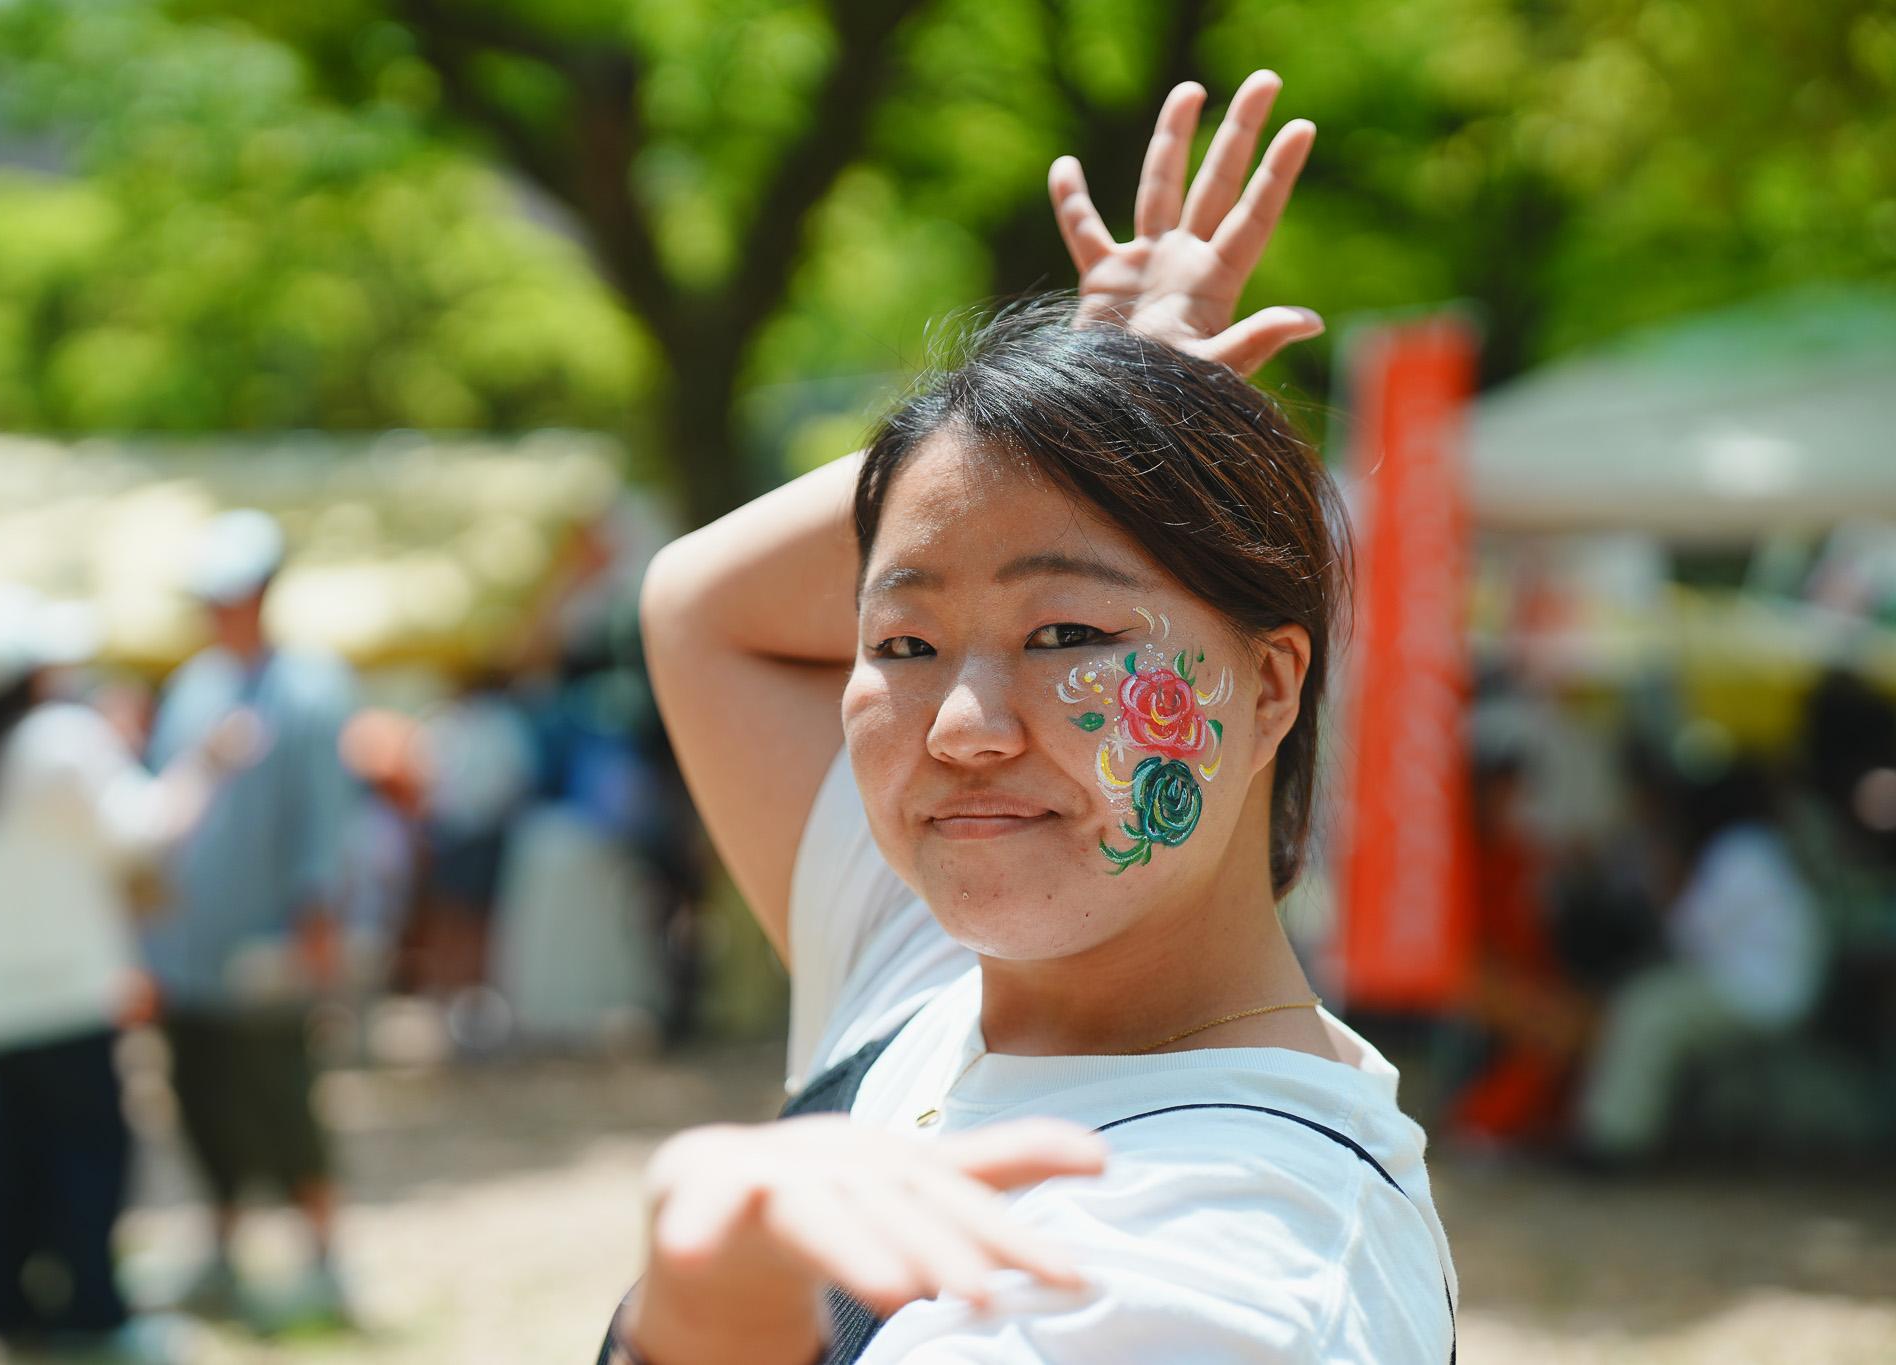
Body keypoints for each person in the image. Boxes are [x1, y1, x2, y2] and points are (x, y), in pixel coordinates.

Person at [601, 72, 1457, 1364]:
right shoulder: (932, 973)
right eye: (903, 643)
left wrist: (705, 1331)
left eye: (1066, 636)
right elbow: (699, 603)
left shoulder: (1233, 1262)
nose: (963, 728)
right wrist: (1091, 389)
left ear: (1272, 683)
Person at [0, 587, 249, 1360]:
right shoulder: (60, 736)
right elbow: (145, 827)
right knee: (91, 1150)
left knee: (13, 1155)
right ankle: (91, 1312)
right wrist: (206, 762)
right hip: (62, 989)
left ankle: (5, 1308)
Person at [142, 509, 358, 1327]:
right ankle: (222, 1250)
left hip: (268, 940)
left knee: (282, 1092)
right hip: (185, 943)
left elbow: (324, 819)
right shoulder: (191, 687)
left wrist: (317, 925)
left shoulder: (310, 686)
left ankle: (325, 1257)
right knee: (201, 1095)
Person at [1574, 762, 1826, 1163]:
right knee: (1656, 1000)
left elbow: (1689, 937)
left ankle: (1612, 1142)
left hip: (1756, 995)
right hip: (1770, 991)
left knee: (1645, 1008)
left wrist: (1666, 880)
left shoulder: (1739, 849)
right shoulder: (1764, 847)